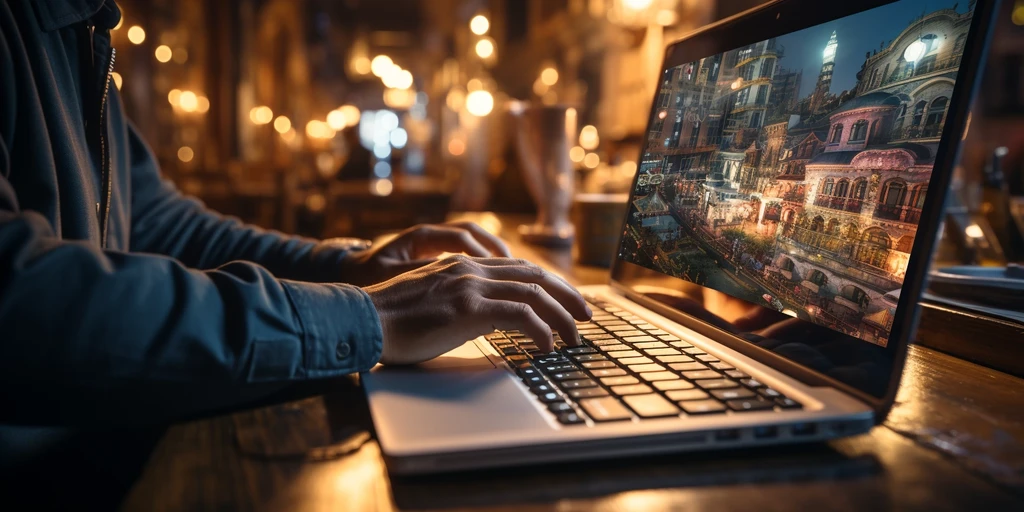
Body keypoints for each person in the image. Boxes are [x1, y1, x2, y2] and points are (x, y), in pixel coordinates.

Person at [0, 0, 589, 481]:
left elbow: (157, 224)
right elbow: (16, 298)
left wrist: (352, 267)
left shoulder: (76, 25)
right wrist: (367, 317)